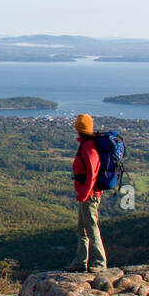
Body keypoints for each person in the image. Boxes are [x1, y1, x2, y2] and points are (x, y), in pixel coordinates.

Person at [66, 113, 107, 272]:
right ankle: (80, 262)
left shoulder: (88, 146)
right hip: (86, 193)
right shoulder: (87, 143)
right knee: (82, 230)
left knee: (91, 228)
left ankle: (99, 263)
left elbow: (92, 172)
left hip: (89, 195)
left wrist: (85, 193)